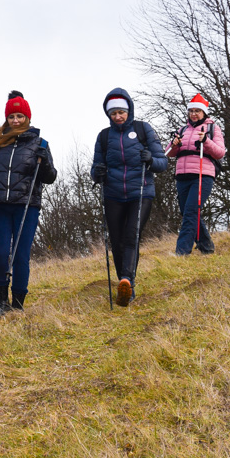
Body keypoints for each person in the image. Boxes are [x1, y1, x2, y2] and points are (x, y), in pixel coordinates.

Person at [0, 91, 57, 318]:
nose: (16, 120)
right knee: (0, 253)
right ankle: (1, 301)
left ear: (27, 118)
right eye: (12, 117)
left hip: (26, 205)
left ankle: (18, 303)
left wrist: (45, 159)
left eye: (20, 116)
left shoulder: (40, 143)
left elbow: (49, 177)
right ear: (7, 119)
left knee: (20, 255)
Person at [90, 88, 167, 307]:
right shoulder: (104, 137)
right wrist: (99, 172)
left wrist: (150, 159)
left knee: (131, 236)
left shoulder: (144, 130)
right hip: (113, 194)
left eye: (121, 112)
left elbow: (163, 163)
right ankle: (124, 282)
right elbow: (94, 170)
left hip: (140, 192)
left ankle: (127, 282)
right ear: (108, 115)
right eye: (113, 113)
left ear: (129, 110)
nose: (118, 117)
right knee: (116, 242)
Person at [164, 93, 226, 256]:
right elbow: (169, 153)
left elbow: (220, 152)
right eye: (191, 111)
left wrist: (205, 141)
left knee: (191, 212)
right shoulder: (182, 130)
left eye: (197, 111)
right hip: (182, 176)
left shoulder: (213, 129)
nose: (193, 114)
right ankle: (206, 246)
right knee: (188, 212)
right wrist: (174, 144)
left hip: (202, 175)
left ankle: (181, 252)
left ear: (204, 113)